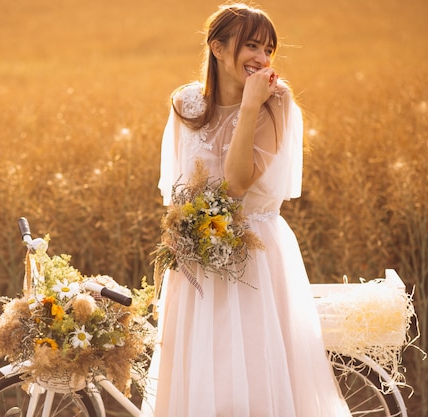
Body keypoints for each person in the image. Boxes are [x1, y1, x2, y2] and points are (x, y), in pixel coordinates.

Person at [141, 3, 352, 416]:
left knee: (252, 384)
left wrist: (252, 103)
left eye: (268, 49)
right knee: (200, 378)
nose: (262, 58)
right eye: (251, 45)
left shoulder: (276, 102)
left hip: (254, 257)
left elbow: (238, 182)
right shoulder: (186, 104)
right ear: (217, 48)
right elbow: (177, 192)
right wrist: (187, 235)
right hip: (196, 259)